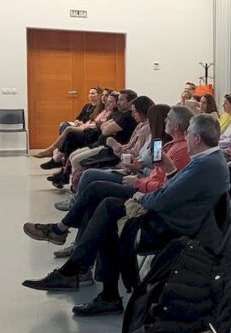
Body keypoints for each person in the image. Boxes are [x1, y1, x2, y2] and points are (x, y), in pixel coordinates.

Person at [22, 115, 230, 315]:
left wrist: (138, 199)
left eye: (189, 132)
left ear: (197, 138)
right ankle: (84, 277)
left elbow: (163, 198)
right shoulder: (209, 160)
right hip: (175, 216)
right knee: (107, 210)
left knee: (108, 211)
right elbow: (176, 189)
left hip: (171, 226)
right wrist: (170, 171)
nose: (186, 136)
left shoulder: (204, 165)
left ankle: (81, 274)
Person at [23, 106, 193, 257]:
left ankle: (61, 230)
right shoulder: (169, 144)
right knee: (93, 189)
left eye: (168, 119)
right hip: (141, 180)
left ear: (177, 126)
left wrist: (138, 182)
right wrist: (137, 170)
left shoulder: (180, 150)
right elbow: (158, 173)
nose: (165, 121)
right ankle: (69, 240)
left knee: (95, 188)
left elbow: (166, 185)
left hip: (147, 191)